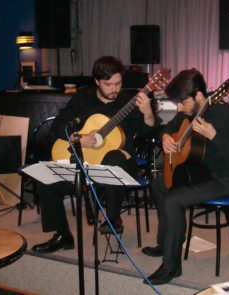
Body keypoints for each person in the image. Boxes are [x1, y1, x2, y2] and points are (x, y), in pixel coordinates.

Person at [31, 56, 157, 253]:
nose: (115, 89)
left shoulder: (129, 102)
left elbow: (148, 133)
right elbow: (58, 126)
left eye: (118, 83)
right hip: (86, 162)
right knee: (47, 179)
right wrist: (77, 137)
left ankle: (113, 219)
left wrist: (148, 112)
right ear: (97, 81)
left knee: (113, 158)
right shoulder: (83, 98)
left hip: (122, 163)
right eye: (108, 84)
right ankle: (62, 235)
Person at [141, 68, 229, 285]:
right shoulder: (188, 111)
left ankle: (171, 267)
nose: (179, 108)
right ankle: (166, 242)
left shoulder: (226, 114)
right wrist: (165, 138)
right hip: (196, 171)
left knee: (173, 199)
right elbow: (164, 129)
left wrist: (214, 136)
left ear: (199, 96)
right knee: (158, 184)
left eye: (182, 102)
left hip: (222, 179)